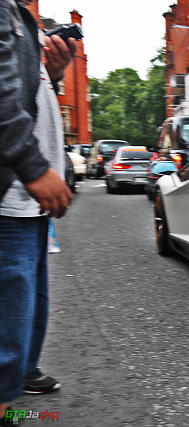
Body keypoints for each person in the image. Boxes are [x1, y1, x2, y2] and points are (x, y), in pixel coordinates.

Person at [0, 0, 76, 423]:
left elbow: (24, 89)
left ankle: (21, 373)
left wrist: (56, 74)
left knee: (30, 304)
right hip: (10, 192)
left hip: (28, 202)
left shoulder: (19, 15)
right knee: (8, 311)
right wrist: (32, 168)